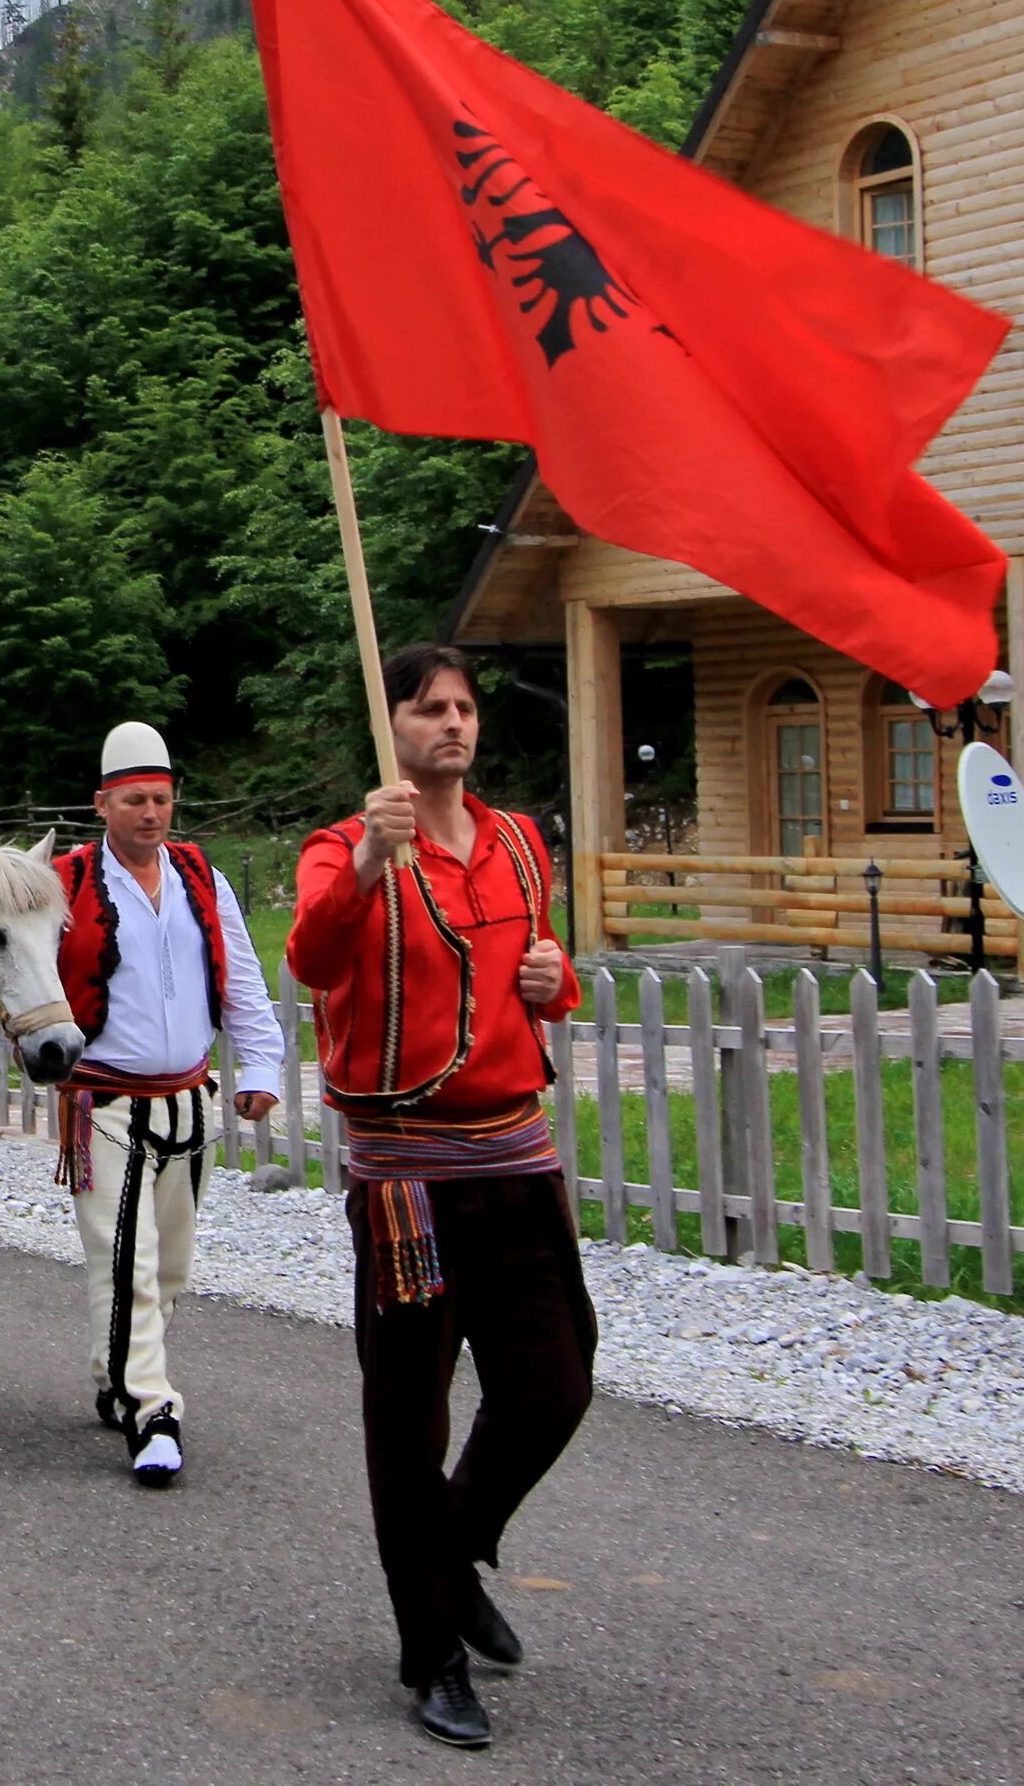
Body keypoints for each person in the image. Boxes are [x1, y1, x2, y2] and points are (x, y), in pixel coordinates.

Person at [285, 644, 589, 1752]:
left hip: (515, 1154)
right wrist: (371, 853)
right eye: (428, 708)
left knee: (554, 1384)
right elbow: (315, 958)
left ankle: (449, 1555)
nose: (451, 723)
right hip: (407, 1169)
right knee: (409, 1414)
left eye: (463, 708)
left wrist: (560, 984)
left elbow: (540, 971)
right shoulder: (343, 846)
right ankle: (432, 1651)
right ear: (395, 725)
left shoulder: (516, 841)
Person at [53, 723, 284, 1488]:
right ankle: (153, 1411)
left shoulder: (198, 876)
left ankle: (113, 1370)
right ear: (102, 804)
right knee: (126, 1263)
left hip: (188, 1098)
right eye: (134, 800)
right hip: (106, 1103)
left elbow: (240, 973)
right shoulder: (66, 884)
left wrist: (264, 1062)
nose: (151, 813)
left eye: (160, 798)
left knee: (173, 1265)